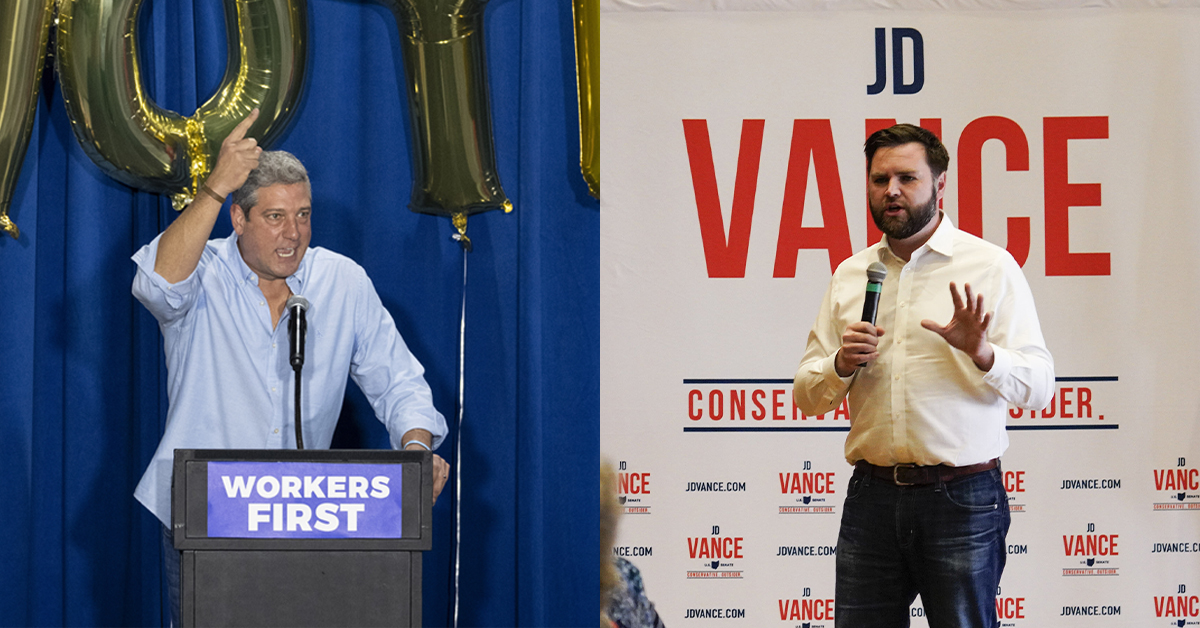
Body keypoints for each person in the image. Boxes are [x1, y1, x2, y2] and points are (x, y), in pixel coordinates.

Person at [131, 110, 450, 626]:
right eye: (275, 217)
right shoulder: (202, 270)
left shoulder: (340, 281)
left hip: (303, 515)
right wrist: (216, 185)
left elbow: (399, 380)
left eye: (303, 215)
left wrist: (416, 450)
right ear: (239, 218)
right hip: (204, 513)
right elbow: (156, 285)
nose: (293, 233)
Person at [793, 124, 1054, 628]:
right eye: (879, 178)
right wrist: (840, 365)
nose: (890, 190)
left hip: (962, 500)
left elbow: (1040, 387)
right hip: (871, 498)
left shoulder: (991, 267)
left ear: (941, 184)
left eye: (906, 177)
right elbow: (807, 394)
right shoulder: (851, 274)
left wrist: (983, 353)